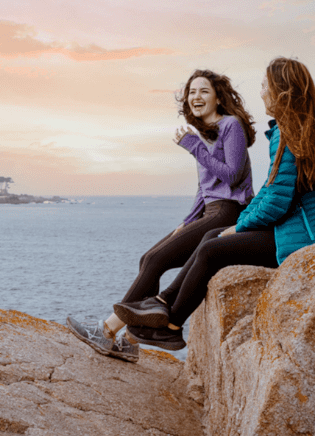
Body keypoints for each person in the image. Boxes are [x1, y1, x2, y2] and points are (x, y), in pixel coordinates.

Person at [113, 57, 315, 351]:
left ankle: (171, 324)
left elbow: (275, 204)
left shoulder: (292, 134)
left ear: (281, 92)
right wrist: (237, 226)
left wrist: (239, 227)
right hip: (306, 229)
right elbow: (269, 191)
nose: (263, 92)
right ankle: (163, 307)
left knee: (213, 248)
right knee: (211, 238)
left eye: (266, 86)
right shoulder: (294, 129)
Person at [67, 69, 256, 361]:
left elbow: (231, 177)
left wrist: (194, 148)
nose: (196, 97)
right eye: (192, 92)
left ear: (218, 97)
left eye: (204, 91)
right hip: (210, 212)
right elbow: (205, 189)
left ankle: (105, 332)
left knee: (155, 260)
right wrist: (187, 222)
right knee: (149, 259)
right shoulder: (204, 136)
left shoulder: (231, 126)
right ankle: (131, 342)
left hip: (229, 213)